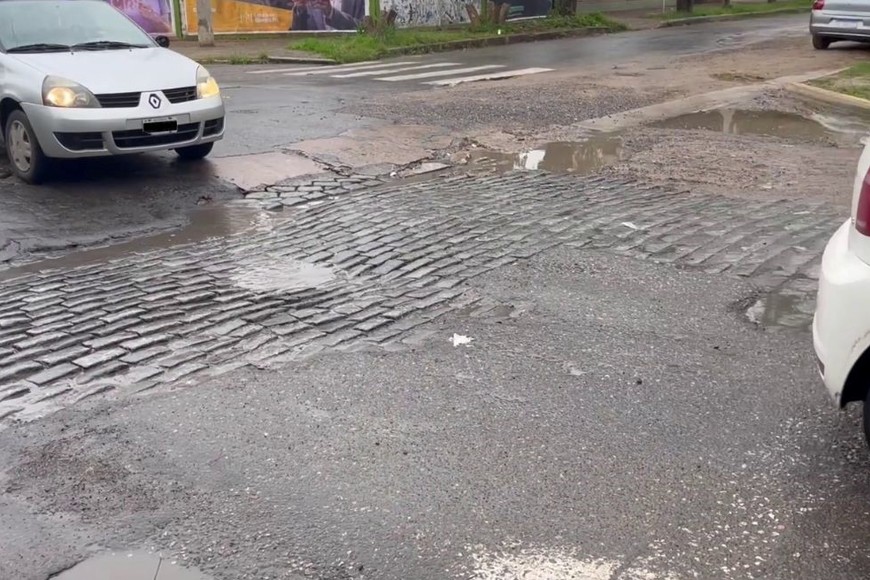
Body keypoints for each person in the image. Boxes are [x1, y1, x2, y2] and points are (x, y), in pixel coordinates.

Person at [291, 0, 363, 31]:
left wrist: (331, 13)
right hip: (319, 54)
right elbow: (299, 35)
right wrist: (301, 10)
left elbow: (363, 28)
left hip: (352, 52)